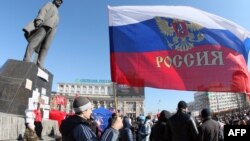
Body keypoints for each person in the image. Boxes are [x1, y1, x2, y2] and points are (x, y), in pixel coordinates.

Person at [23, 0, 63, 68]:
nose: (60, 2)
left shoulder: (57, 11)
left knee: (46, 47)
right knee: (36, 41)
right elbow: (43, 10)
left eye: (61, 2)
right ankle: (27, 57)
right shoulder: (50, 4)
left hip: (53, 29)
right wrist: (39, 20)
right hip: (46, 25)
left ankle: (40, 63)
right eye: (59, 0)